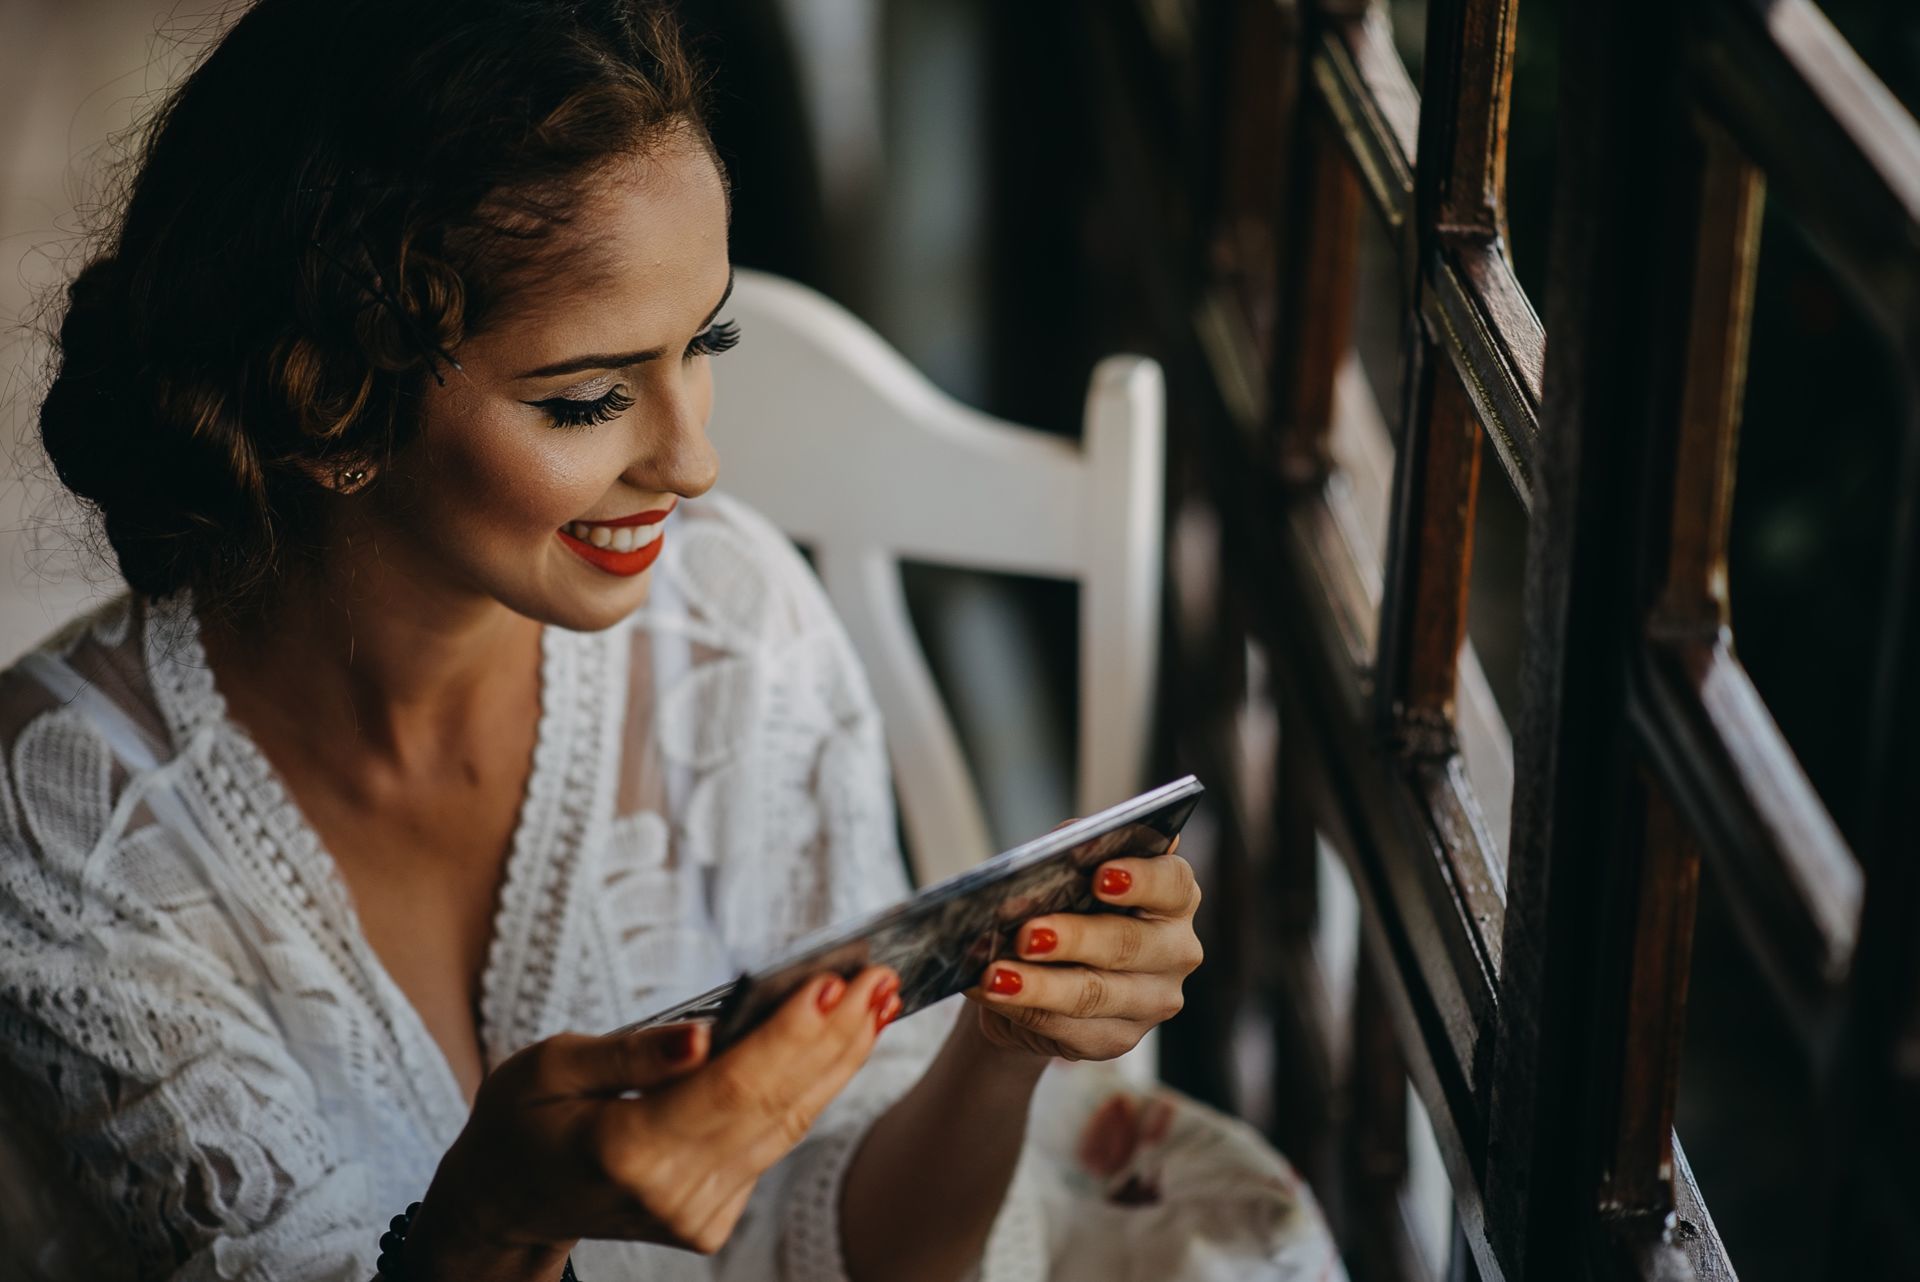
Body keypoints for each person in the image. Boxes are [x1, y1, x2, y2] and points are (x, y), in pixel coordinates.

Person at [0, 3, 1208, 1279]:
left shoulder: (741, 633)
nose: (696, 462)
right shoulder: (63, 827)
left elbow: (860, 1256)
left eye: (706, 344)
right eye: (587, 398)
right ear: (328, 404)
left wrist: (994, 1051)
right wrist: (488, 1228)